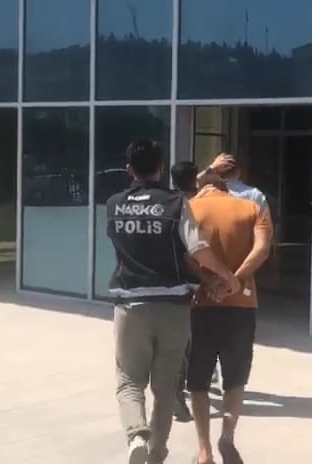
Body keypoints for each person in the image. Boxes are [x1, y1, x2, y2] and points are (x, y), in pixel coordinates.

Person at [106, 140, 240, 464]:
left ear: (129, 170)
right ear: (161, 167)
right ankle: (156, 453)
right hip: (174, 308)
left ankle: (137, 436)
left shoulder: (114, 204)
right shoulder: (176, 202)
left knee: (129, 381)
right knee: (165, 387)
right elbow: (196, 249)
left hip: (131, 307)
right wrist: (225, 276)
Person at [186, 175, 273, 464]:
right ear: (228, 190)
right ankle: (227, 436)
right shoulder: (251, 208)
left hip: (200, 304)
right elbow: (262, 249)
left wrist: (210, 281)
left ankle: (204, 450)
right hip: (242, 304)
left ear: (203, 189)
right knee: (235, 379)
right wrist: (234, 281)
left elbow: (185, 254)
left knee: (198, 381)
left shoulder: (189, 208)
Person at [168, 160, 200, 423]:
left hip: (174, 282)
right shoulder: (196, 204)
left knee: (181, 344)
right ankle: (182, 392)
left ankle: (179, 392)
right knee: (190, 342)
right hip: (196, 282)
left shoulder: (168, 204)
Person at [198, 153, 268, 210]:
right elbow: (264, 221)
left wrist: (211, 167)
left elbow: (195, 182)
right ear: (238, 172)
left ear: (215, 172)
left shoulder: (206, 192)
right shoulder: (255, 195)